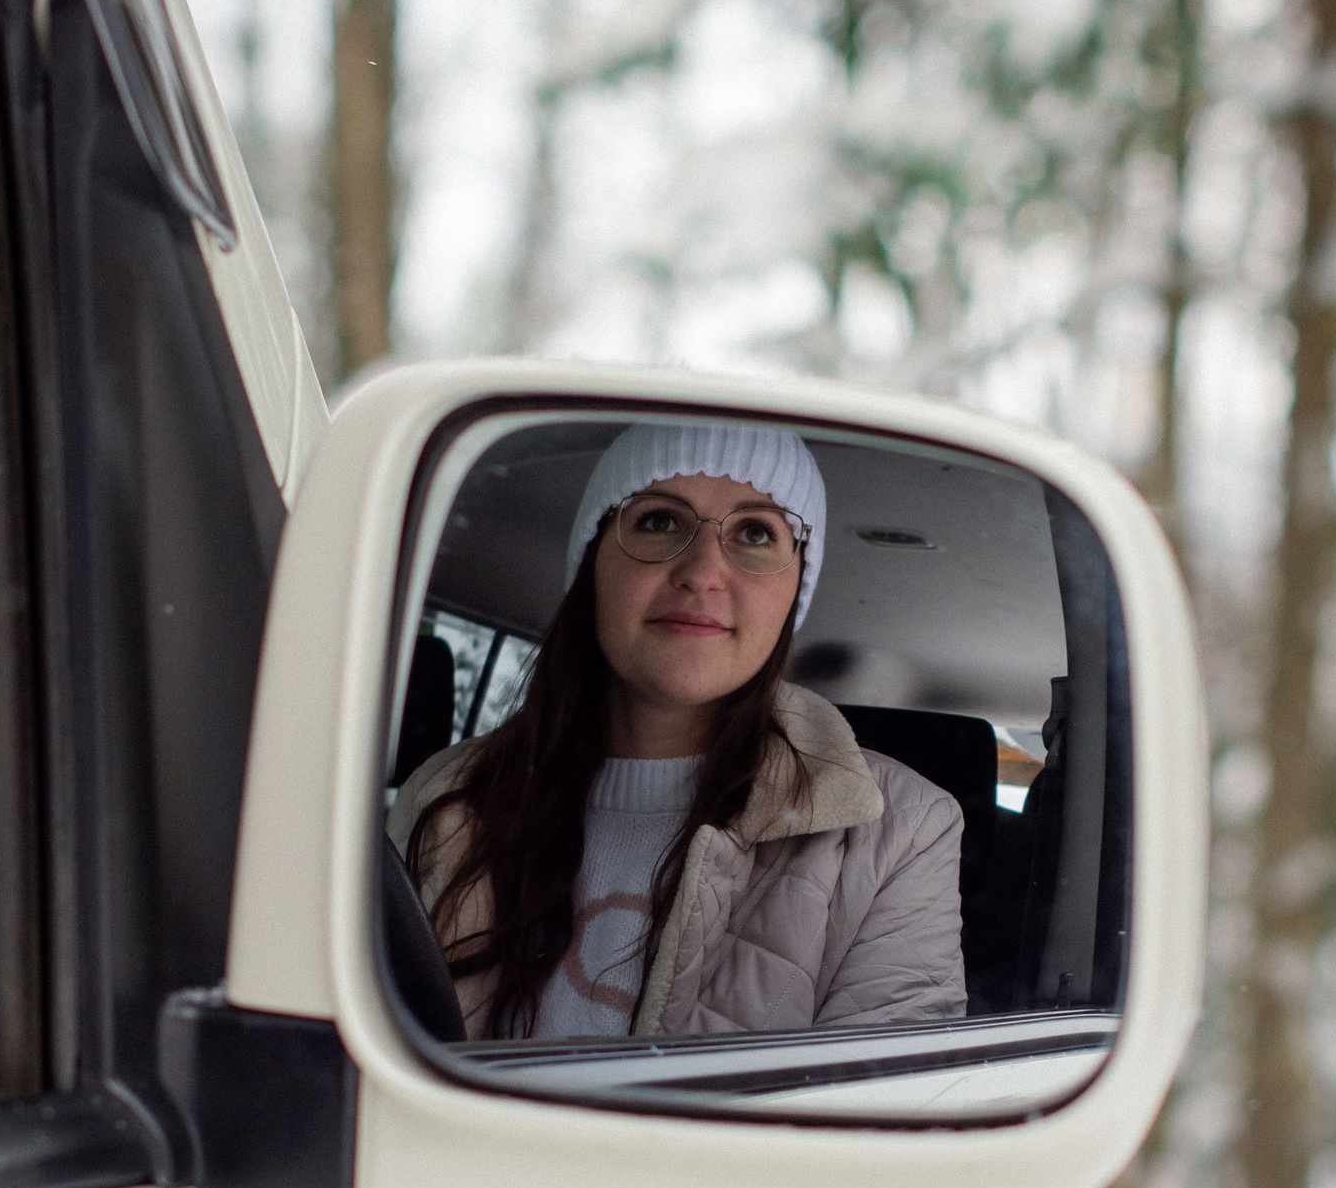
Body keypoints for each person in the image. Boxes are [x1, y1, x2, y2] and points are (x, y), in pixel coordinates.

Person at [393, 418, 967, 1043]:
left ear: (794, 590)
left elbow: (880, 1115)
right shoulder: (445, 797)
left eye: (754, 533)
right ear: (594, 564)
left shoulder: (902, 834)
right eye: (659, 520)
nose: (702, 571)